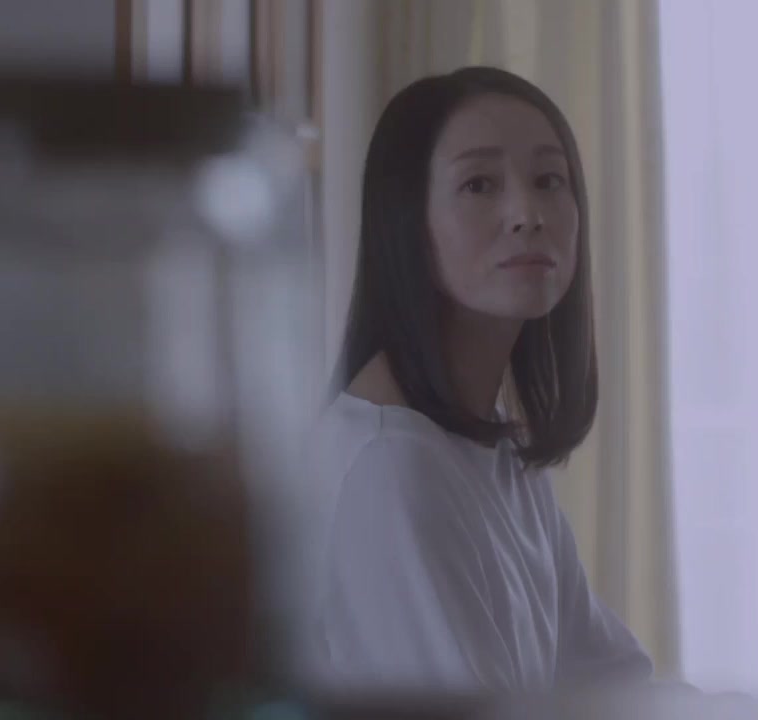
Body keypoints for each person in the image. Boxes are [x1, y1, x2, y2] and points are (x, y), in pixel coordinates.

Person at [298, 66, 654, 695]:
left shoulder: (497, 455)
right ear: (408, 223)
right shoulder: (390, 467)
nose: (527, 214)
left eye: (549, 180)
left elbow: (614, 689)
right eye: (479, 184)